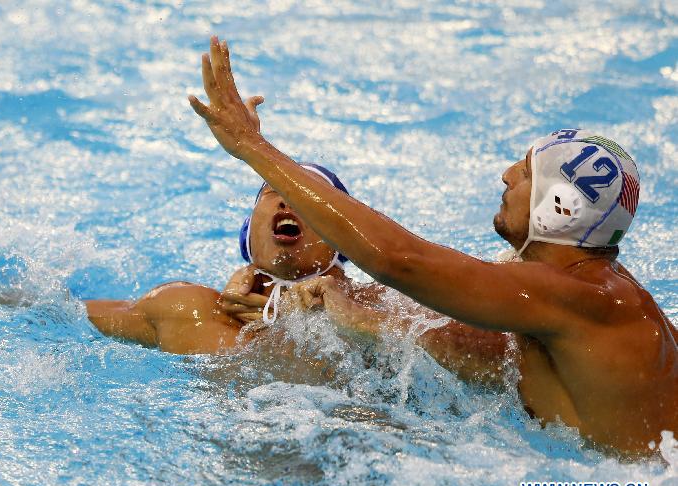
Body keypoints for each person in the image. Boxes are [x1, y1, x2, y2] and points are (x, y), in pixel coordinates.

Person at [188, 36, 676, 455]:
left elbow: (400, 261)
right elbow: (470, 337)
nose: (506, 175)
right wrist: (324, 301)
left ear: (560, 205)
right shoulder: (574, 295)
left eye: (526, 172)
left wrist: (251, 147)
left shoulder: (580, 296)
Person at [84, 160, 359, 355]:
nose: (289, 201)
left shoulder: (373, 309)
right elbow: (63, 312)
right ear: (248, 233)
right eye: (276, 191)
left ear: (342, 240)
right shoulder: (188, 310)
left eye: (311, 198)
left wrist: (344, 310)